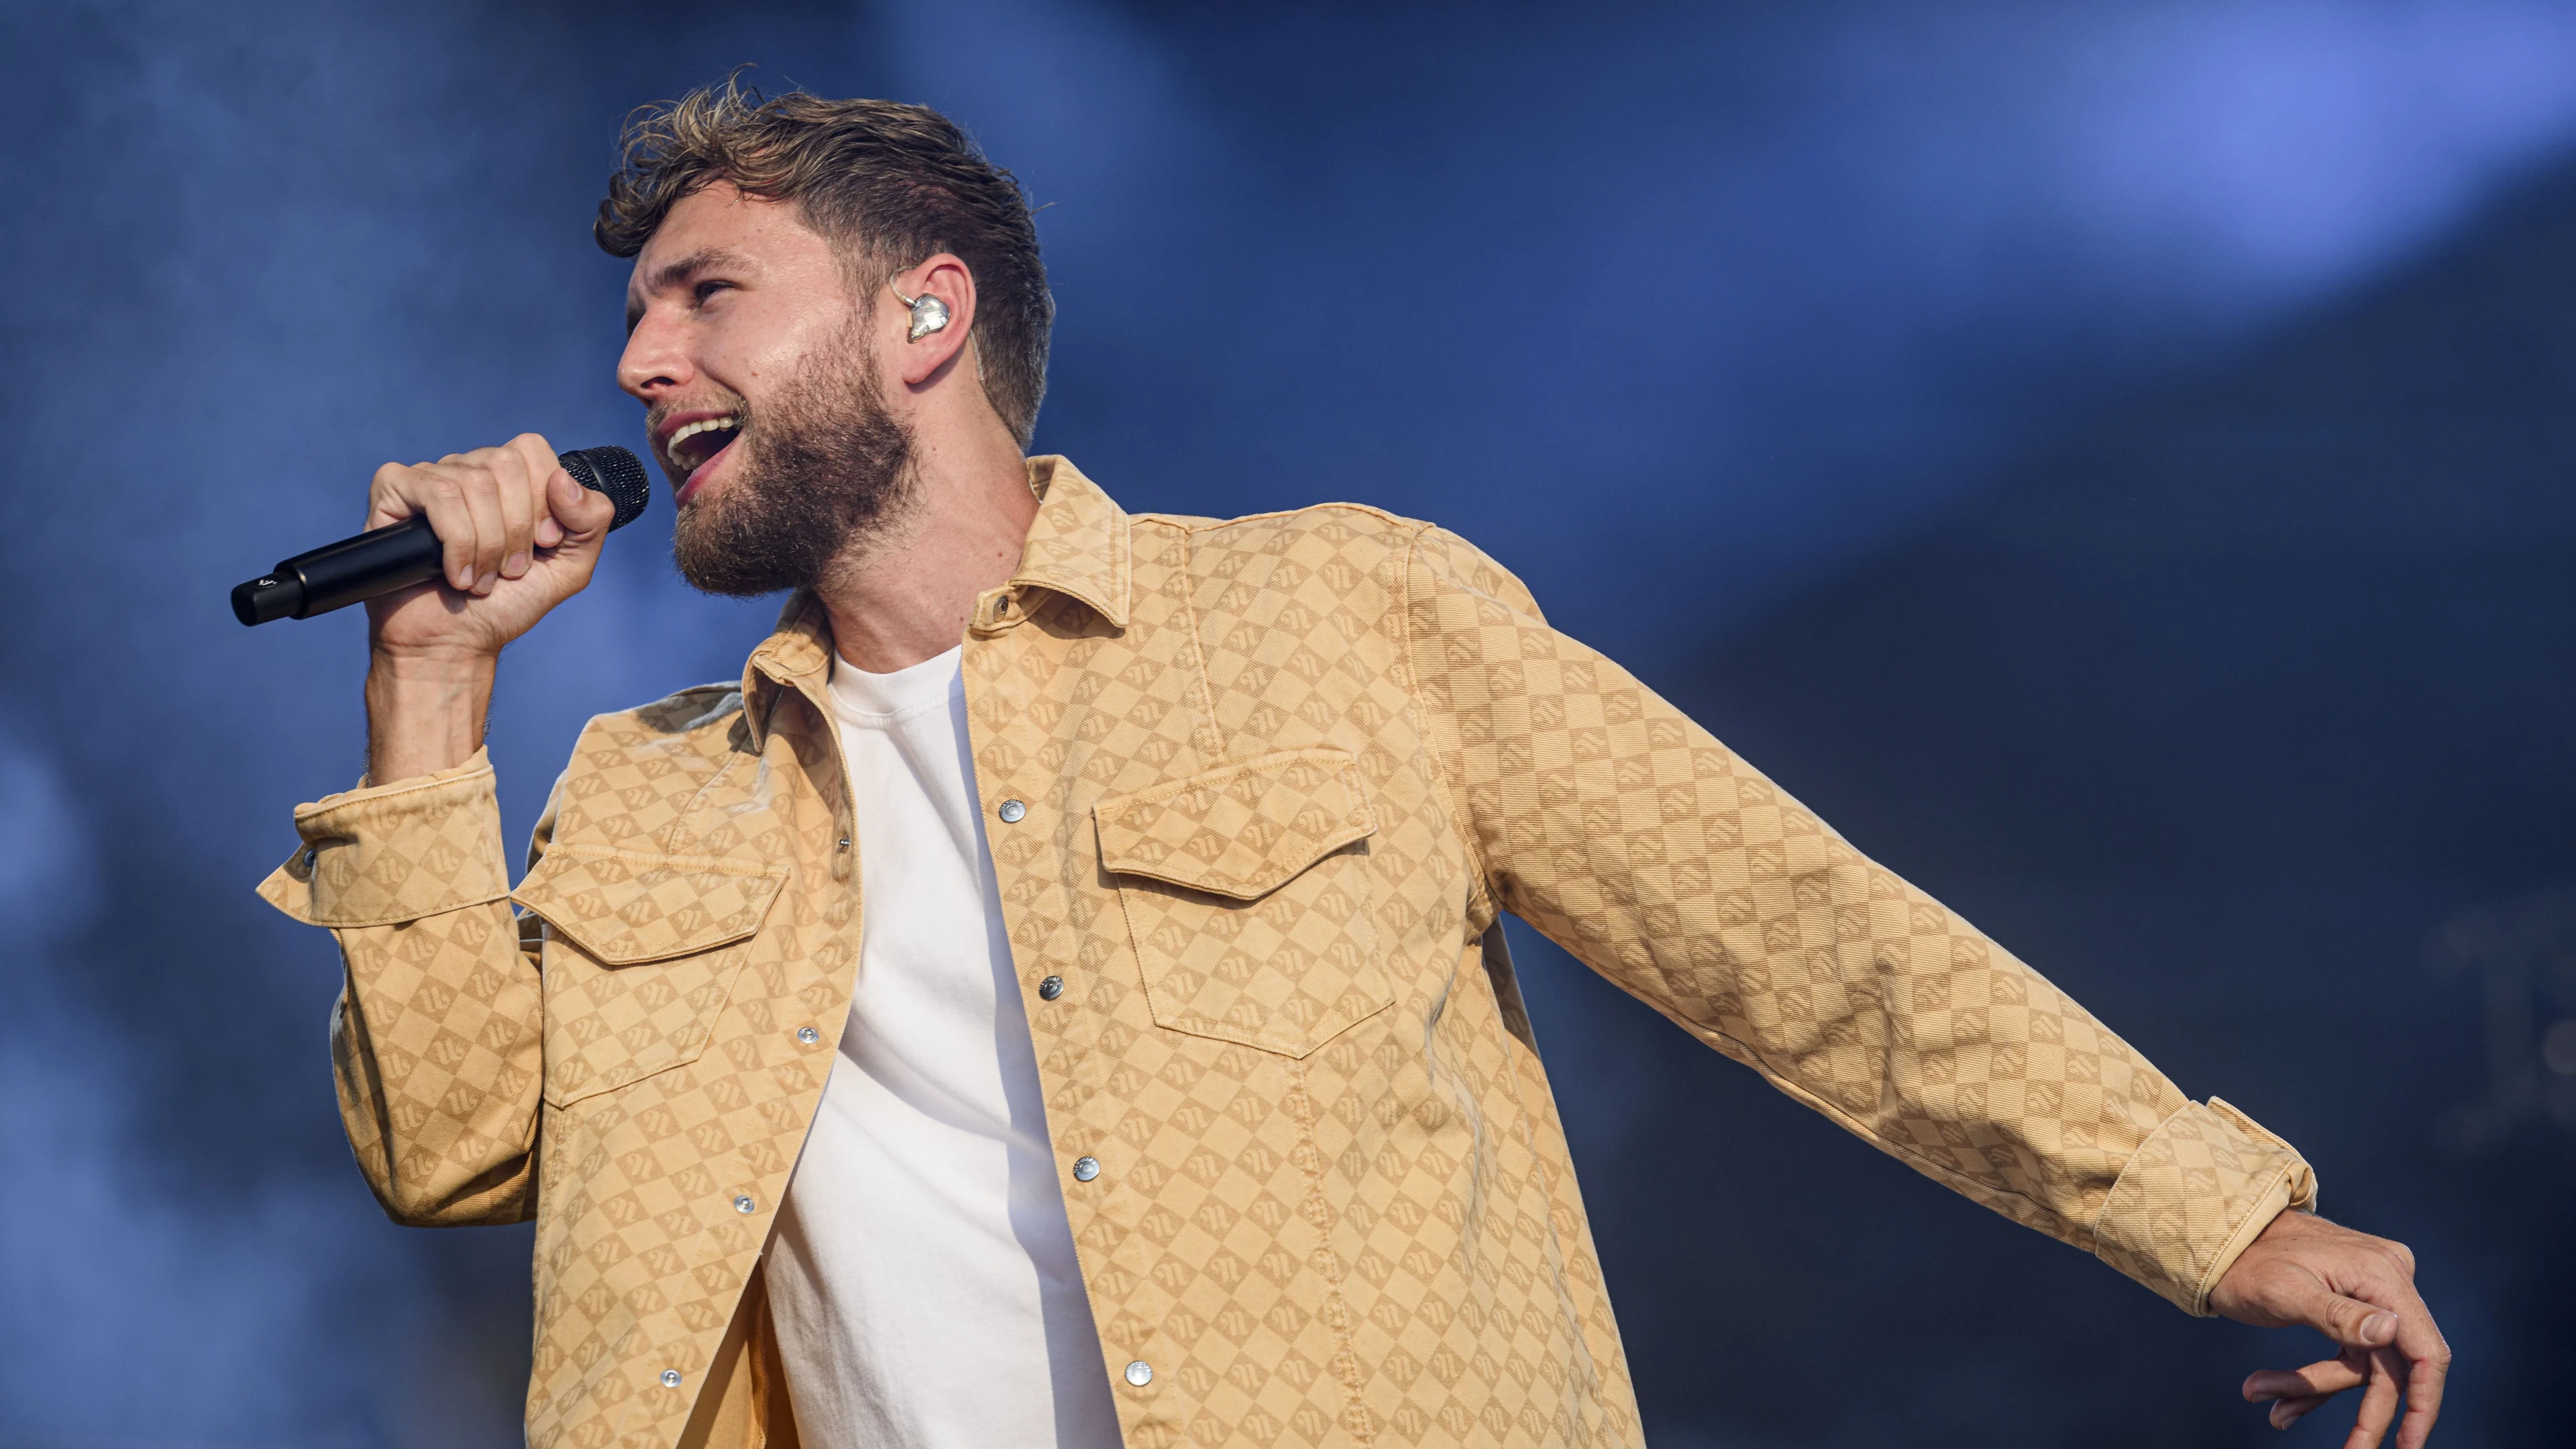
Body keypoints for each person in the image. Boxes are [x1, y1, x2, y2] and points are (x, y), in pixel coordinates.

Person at [258, 82, 2448, 1449]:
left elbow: (1785, 930)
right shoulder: (654, 785)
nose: (639, 362)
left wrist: (2214, 1211)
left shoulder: (1340, 618)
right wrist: (427, 693)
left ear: (923, 318)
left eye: (706, 296)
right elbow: (453, 1151)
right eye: (640, 316)